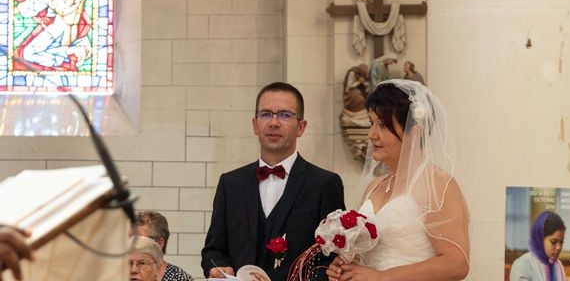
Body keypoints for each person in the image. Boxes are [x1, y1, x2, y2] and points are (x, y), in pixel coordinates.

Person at [326, 80, 470, 281]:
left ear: (415, 129)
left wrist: (383, 277)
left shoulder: (437, 184)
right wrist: (347, 267)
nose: (371, 135)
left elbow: (456, 263)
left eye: (382, 125)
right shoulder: (374, 186)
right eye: (371, 123)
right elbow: (367, 256)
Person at [201, 82, 346, 281]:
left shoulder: (324, 184)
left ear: (301, 127)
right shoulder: (230, 183)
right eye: (266, 114)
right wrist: (215, 268)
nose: (274, 122)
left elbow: (332, 257)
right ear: (255, 124)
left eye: (285, 115)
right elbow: (213, 251)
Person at [135, 211, 193, 281]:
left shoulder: (180, 278)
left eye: (140, 240)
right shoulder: (123, 273)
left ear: (159, 243)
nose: (131, 245)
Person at [509, 211, 566, 281]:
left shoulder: (557, 265)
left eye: (561, 242)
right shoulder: (522, 265)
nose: (559, 247)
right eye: (553, 242)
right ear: (540, 239)